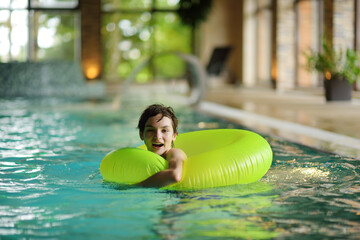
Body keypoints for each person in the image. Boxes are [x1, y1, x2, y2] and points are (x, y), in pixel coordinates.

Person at [136, 104, 187, 188]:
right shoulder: (143, 159)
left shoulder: (175, 153)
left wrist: (136, 186)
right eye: (150, 130)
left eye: (164, 130)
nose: (157, 136)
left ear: (174, 136)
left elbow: (175, 175)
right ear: (141, 135)